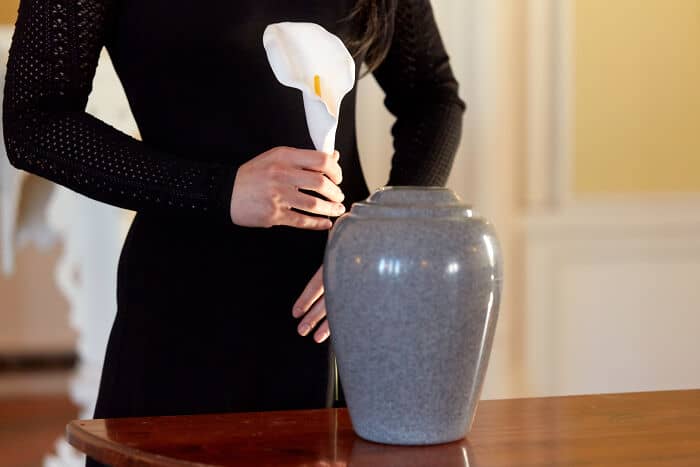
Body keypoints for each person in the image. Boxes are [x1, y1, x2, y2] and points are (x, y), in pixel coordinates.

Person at [3, 0, 465, 465]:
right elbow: (34, 122)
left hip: (345, 307)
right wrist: (219, 190)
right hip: (187, 311)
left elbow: (432, 95)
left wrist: (382, 227)